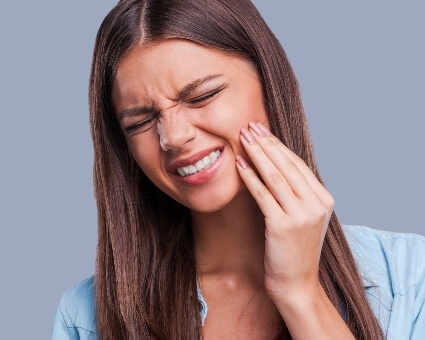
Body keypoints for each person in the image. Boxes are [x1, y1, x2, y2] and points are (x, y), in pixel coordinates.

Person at [52, 0, 425, 339]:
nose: (173, 137)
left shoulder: (409, 278)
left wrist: (300, 294)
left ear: (269, 82)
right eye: (141, 122)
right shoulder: (85, 316)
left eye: (202, 96)